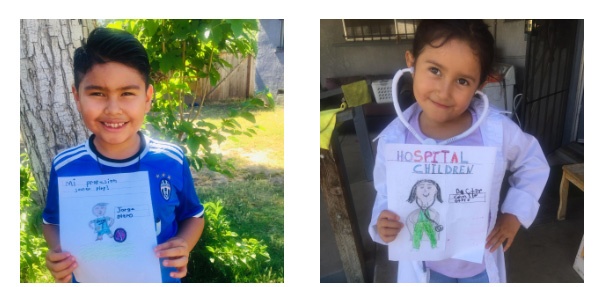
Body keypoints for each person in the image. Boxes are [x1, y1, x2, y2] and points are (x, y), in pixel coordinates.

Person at [368, 20, 549, 283]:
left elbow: (532, 162)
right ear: (411, 62)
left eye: (462, 80)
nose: (444, 91)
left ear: (480, 85)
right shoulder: (395, 140)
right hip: (425, 271)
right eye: (435, 70)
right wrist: (382, 222)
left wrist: (514, 214)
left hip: (479, 269)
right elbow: (386, 193)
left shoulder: (496, 131)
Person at [41, 27, 205, 283]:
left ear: (148, 97)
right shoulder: (66, 167)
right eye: (97, 93)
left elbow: (193, 215)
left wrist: (184, 243)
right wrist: (58, 252)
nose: (113, 109)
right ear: (77, 96)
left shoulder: (170, 160)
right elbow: (51, 221)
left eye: (127, 93)